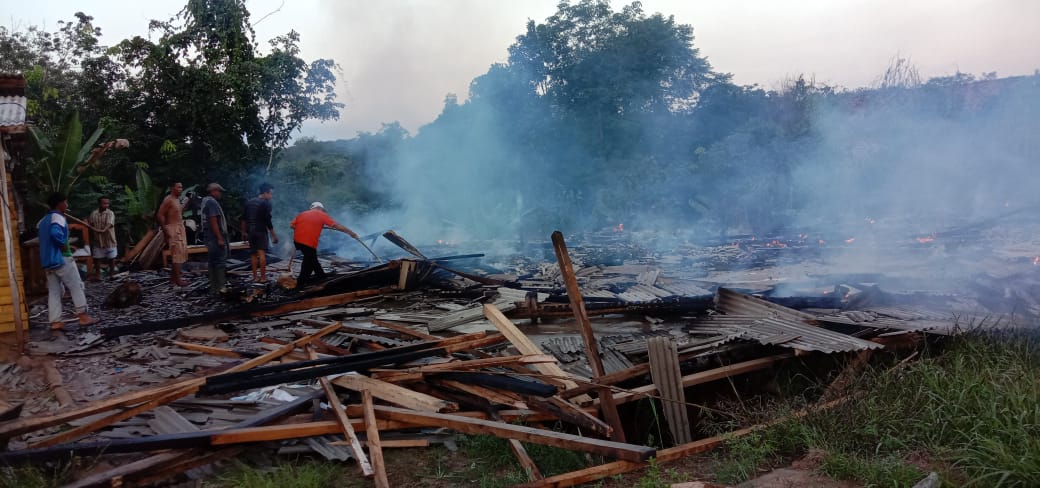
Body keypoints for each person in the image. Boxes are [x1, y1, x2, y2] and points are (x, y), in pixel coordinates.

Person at [38, 192, 97, 330]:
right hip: (62, 258)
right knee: (76, 285)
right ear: (60, 204)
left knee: (54, 291)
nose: (67, 205)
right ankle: (83, 316)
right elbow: (55, 234)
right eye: (66, 202)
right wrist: (65, 246)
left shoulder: (42, 221)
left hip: (48, 260)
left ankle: (55, 321)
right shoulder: (58, 217)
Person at [290, 202, 357, 288]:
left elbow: (292, 226)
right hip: (308, 242)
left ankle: (303, 280)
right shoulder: (322, 215)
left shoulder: (302, 214)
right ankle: (321, 278)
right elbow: (337, 226)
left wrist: (307, 227)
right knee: (312, 261)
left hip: (297, 241)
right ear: (320, 209)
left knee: (309, 260)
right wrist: (351, 233)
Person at [244, 183, 278, 283]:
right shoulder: (266, 203)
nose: (271, 196)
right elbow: (268, 220)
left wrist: (243, 232)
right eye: (271, 194)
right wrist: (274, 235)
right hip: (260, 231)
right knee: (262, 253)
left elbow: (243, 218)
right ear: (265, 193)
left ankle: (255, 277)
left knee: (253, 254)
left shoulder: (249, 202)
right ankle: (263, 277)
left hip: (250, 231)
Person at [156, 182, 190, 287]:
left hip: (179, 228)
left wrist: (189, 201)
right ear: (172, 188)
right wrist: (165, 230)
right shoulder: (168, 200)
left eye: (181, 187)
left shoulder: (176, 200)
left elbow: (180, 212)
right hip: (173, 228)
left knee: (180, 253)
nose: (181, 189)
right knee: (177, 254)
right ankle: (178, 280)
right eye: (178, 187)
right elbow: (159, 215)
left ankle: (172, 279)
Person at [200, 182, 229, 295]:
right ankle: (221, 287)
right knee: (220, 261)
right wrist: (220, 238)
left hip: (208, 237)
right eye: (219, 191)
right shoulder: (212, 202)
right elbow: (213, 221)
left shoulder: (205, 201)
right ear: (213, 191)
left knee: (212, 261)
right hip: (214, 237)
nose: (220, 194)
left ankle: (214, 288)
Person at [86, 196, 117, 280]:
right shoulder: (93, 214)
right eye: (104, 203)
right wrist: (89, 226)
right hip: (98, 240)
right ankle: (98, 275)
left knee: (111, 257)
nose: (106, 205)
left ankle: (111, 274)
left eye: (107, 203)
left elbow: (110, 224)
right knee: (97, 258)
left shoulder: (110, 213)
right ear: (99, 203)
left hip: (109, 239)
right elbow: (91, 224)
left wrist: (103, 230)